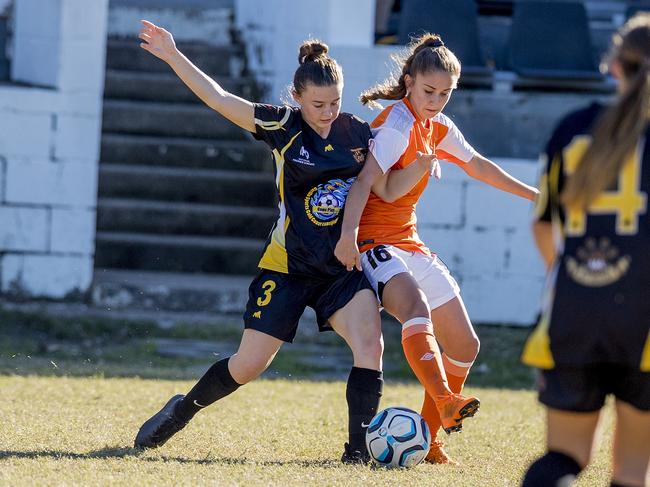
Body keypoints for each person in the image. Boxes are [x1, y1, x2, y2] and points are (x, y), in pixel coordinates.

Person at [131, 20, 385, 463]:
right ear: (297, 98)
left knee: (371, 345)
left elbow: (387, 172)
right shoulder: (283, 126)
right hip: (287, 267)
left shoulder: (358, 133)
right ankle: (181, 411)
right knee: (247, 366)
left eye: (335, 102)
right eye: (318, 104)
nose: (328, 112)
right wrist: (173, 54)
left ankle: (358, 452)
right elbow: (220, 99)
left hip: (338, 269)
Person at [335, 33, 538, 464]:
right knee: (416, 310)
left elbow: (479, 164)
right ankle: (444, 402)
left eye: (446, 93)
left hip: (410, 242)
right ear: (408, 82)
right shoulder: (397, 125)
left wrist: (537, 196)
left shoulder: (437, 125)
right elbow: (366, 184)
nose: (437, 100)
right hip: (374, 243)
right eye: (429, 91)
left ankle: (428, 441)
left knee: (465, 346)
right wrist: (349, 236)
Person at [521, 14, 650, 487]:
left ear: (615, 66)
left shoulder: (572, 128)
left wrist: (580, 276)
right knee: (632, 472)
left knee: (561, 460)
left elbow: (541, 226)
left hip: (575, 311)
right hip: (645, 319)